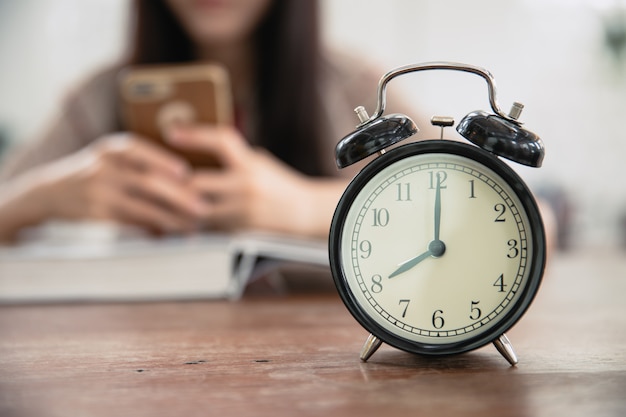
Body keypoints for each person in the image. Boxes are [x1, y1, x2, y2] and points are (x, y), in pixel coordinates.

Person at [0, 0, 410, 243]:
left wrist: (306, 206)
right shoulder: (97, 98)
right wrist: (46, 196)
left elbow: (459, 197)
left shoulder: (354, 87)